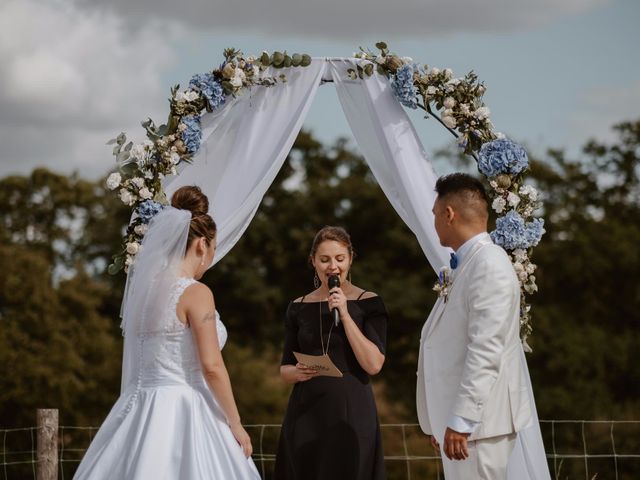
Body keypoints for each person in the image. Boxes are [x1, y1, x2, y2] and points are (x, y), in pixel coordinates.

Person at [74, 186, 260, 480]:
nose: (211, 256)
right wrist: (235, 423)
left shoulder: (144, 292)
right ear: (201, 245)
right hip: (185, 406)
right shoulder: (196, 293)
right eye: (213, 248)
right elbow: (211, 367)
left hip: (137, 405)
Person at [416, 173, 533, 480]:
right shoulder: (468, 264)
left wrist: (462, 420)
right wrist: (441, 419)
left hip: (479, 427)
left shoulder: (488, 265)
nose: (434, 222)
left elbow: (485, 349)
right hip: (464, 428)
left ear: (449, 214)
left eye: (434, 214)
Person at [274, 226, 388, 480]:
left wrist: (345, 314)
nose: (332, 267)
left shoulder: (369, 302)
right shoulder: (297, 306)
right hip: (306, 411)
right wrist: (298, 371)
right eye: (324, 260)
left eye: (339, 259)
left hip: (352, 410)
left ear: (350, 258)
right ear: (313, 261)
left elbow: (374, 364)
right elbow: (284, 369)